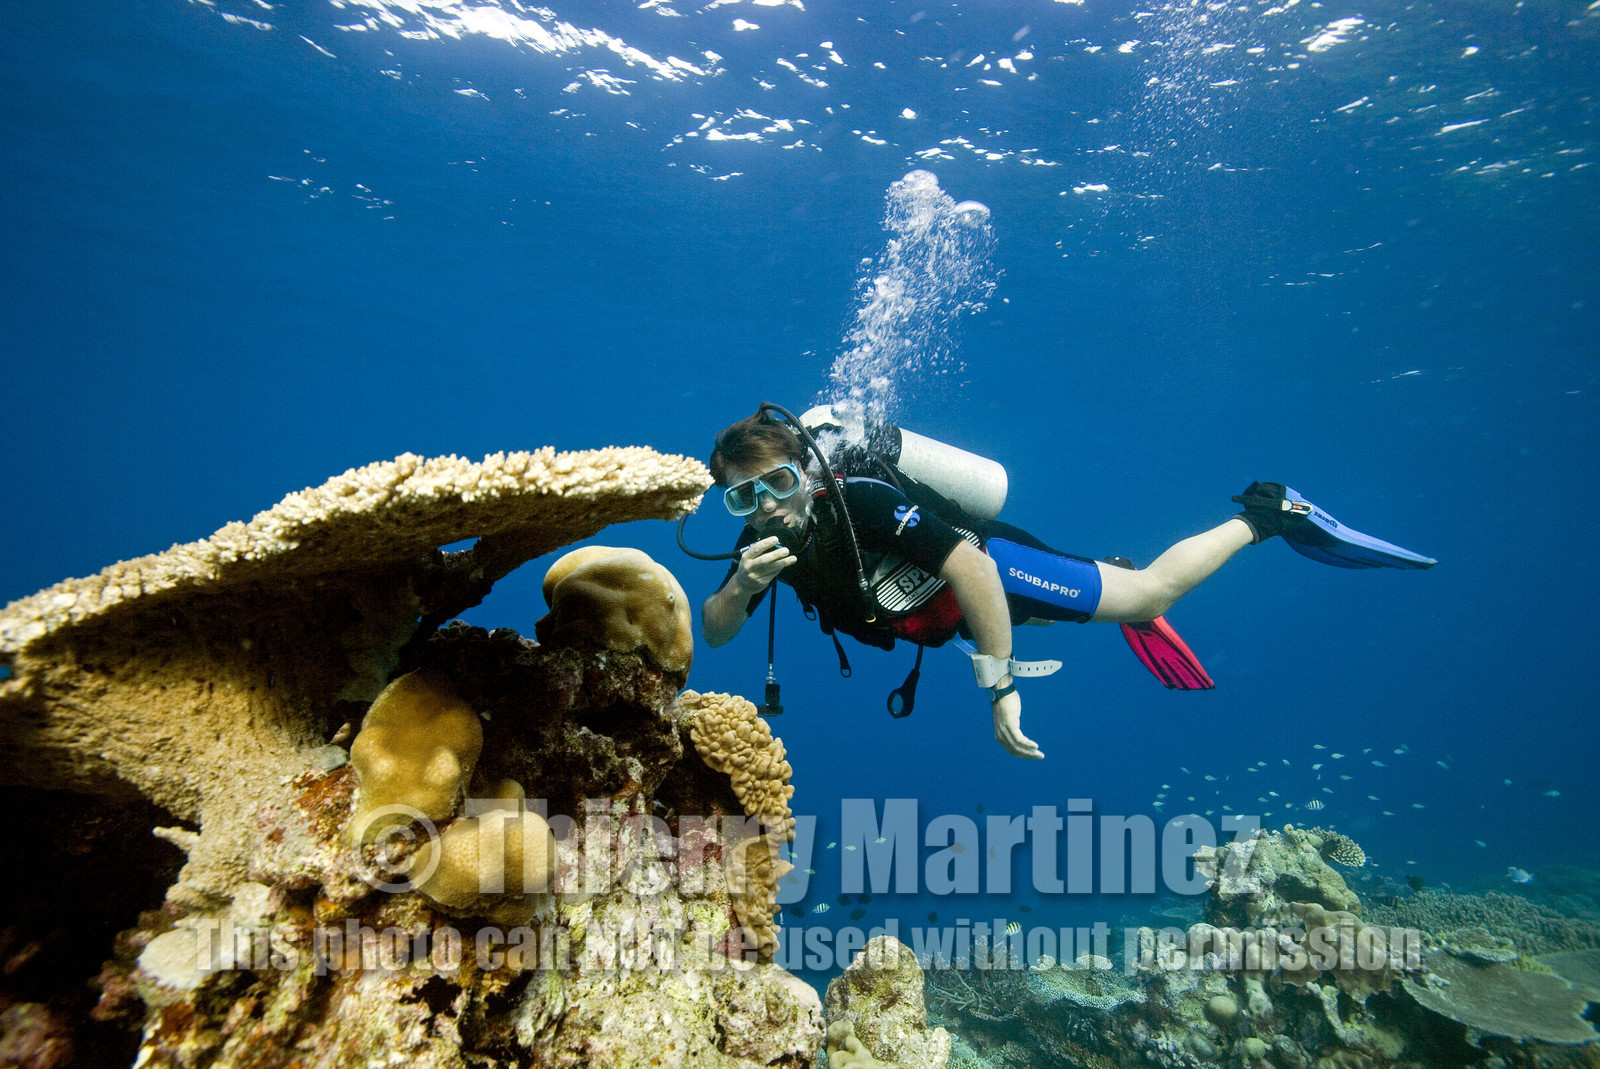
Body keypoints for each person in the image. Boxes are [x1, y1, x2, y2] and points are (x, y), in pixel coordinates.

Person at [700, 407, 1434, 760]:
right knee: (1051, 610)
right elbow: (716, 628)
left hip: (984, 570)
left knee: (1145, 599)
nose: (768, 505)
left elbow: (974, 568)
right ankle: (1088, 579)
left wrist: (1001, 684)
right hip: (939, 612)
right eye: (745, 497)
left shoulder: (859, 498)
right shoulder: (760, 539)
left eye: (780, 482)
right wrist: (737, 591)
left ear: (808, 473)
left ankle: (1273, 512)